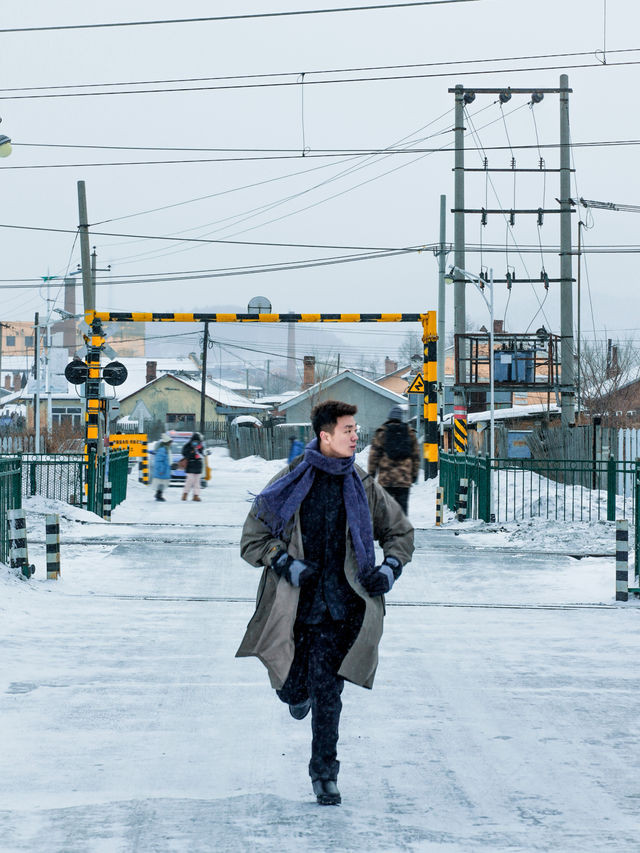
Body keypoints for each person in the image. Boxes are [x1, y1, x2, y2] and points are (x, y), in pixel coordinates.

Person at [237, 400, 414, 806]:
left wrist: (388, 569)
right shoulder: (289, 482)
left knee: (329, 694)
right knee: (295, 688)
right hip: (296, 607)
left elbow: (400, 533)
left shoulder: (362, 484)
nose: (356, 436)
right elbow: (252, 541)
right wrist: (283, 562)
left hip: (342, 611)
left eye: (356, 429)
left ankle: (324, 774)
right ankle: (294, 695)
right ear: (325, 436)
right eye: (348, 430)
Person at [368, 404, 421, 515]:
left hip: (386, 479)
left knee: (385, 510)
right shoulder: (409, 433)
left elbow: (374, 455)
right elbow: (415, 455)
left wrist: (371, 474)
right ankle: (401, 530)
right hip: (404, 479)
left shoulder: (382, 432)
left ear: (389, 417)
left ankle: (387, 530)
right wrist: (414, 474)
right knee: (401, 510)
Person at [181, 431, 204, 501]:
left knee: (197, 482)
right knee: (189, 480)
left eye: (197, 441)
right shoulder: (188, 446)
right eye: (195, 441)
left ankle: (196, 495)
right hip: (190, 465)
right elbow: (184, 453)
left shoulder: (200, 446)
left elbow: (203, 453)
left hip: (198, 465)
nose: (196, 442)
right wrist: (192, 453)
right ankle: (185, 494)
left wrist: (200, 450)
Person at [151, 433, 172, 501]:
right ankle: (158, 495)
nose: (170, 444)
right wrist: (161, 470)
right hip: (162, 471)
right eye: (170, 442)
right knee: (161, 483)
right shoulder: (163, 450)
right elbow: (159, 461)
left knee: (162, 484)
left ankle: (159, 495)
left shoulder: (166, 449)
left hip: (164, 470)